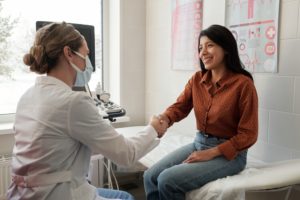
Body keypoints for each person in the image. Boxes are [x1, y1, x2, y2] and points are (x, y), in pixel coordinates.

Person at [7, 22, 167, 200]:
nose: (88, 63)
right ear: (68, 53)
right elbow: (126, 155)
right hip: (57, 194)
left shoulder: (28, 96)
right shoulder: (73, 102)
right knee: (127, 198)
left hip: (23, 193)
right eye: (86, 55)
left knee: (121, 195)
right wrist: (153, 128)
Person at [143, 24, 258, 200]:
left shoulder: (243, 85)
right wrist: (164, 119)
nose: (203, 52)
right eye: (200, 47)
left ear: (226, 48)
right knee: (150, 176)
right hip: (199, 143)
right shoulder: (197, 79)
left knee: (167, 180)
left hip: (231, 155)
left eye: (209, 45)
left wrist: (211, 153)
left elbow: (249, 134)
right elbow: (180, 107)